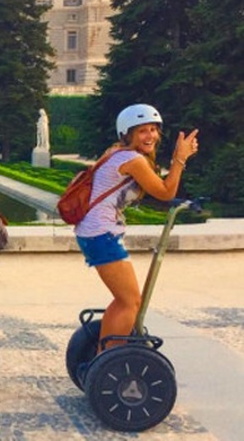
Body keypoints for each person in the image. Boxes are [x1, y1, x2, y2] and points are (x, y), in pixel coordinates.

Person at [75, 104, 198, 351]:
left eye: (153, 129)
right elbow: (165, 192)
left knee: (125, 300)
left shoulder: (117, 152)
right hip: (101, 234)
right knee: (130, 302)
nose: (150, 135)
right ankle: (108, 359)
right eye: (142, 131)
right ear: (127, 134)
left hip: (95, 232)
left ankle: (104, 355)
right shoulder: (131, 159)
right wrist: (180, 159)